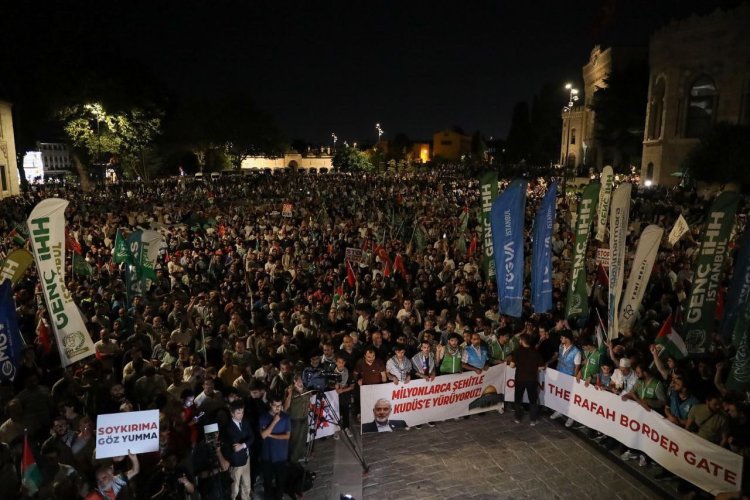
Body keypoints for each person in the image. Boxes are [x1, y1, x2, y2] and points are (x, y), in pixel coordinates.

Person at [508, 333, 545, 425]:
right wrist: (533, 368)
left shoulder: (517, 351)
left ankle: (517, 418)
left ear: (522, 341)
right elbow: (542, 367)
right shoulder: (535, 352)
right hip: (532, 379)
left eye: (520, 340)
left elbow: (512, 366)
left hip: (520, 379)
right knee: (533, 400)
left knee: (518, 399)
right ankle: (533, 420)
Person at [259, 396, 291, 500]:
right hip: (267, 455)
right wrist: (274, 421)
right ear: (270, 405)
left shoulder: (286, 417)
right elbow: (263, 435)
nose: (277, 408)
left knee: (280, 481)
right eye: (275, 406)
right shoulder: (263, 417)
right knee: (267, 481)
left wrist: (271, 435)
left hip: (281, 455)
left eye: (279, 406)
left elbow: (287, 436)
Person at [220, 399, 254, 500]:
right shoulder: (227, 427)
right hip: (236, 461)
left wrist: (243, 445)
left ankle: (246, 498)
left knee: (247, 484)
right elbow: (231, 446)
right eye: (238, 413)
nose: (241, 415)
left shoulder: (246, 422)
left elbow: (252, 437)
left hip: (246, 457)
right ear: (232, 413)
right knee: (234, 487)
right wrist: (244, 443)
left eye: (242, 412)